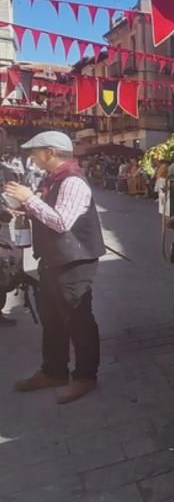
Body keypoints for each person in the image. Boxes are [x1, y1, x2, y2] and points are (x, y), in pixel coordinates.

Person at [5, 132, 105, 404]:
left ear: (50, 152)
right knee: (51, 319)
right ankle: (54, 371)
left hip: (74, 264)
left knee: (78, 319)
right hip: (52, 261)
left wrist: (30, 199)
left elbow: (61, 222)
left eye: (34, 152)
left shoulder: (72, 181)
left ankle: (85, 376)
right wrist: (26, 210)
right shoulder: (55, 180)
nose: (31, 158)